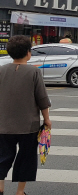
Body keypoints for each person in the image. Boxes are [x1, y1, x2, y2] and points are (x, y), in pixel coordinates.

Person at [0, 36, 51, 195]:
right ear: (29, 53)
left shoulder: (1, 71)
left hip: (3, 125)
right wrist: (47, 120)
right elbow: (42, 98)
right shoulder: (34, 72)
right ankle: (20, 192)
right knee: (26, 159)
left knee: (2, 157)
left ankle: (0, 188)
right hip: (28, 126)